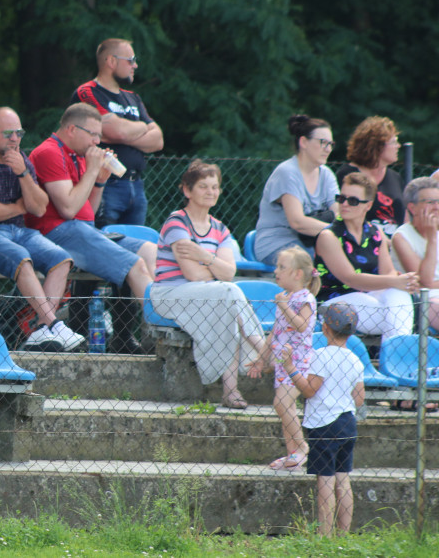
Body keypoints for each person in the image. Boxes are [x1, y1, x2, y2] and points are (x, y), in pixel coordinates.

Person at [25, 103, 156, 354]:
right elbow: (68, 209)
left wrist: (99, 181)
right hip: (58, 232)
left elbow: (88, 213)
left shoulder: (77, 154)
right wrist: (93, 169)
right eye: (93, 134)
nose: (97, 141)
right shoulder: (49, 152)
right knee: (135, 265)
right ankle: (161, 329)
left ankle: (133, 335)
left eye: (99, 135)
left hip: (82, 230)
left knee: (149, 251)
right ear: (72, 129)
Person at [0, 107, 83, 352]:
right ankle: (54, 324)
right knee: (21, 257)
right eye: (8, 133)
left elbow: (39, 208)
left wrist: (23, 173)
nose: (14, 139)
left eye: (19, 133)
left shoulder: (22, 160)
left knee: (61, 259)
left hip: (17, 232)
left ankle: (41, 330)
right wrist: (20, 206)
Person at [149, 160, 266, 409]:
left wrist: (203, 256)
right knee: (228, 292)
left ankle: (231, 392)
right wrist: (216, 268)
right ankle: (264, 350)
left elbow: (229, 272)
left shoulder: (220, 229)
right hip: (171, 293)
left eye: (214, 187)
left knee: (228, 300)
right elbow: (192, 274)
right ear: (187, 190)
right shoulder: (176, 222)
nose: (210, 192)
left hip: (209, 294)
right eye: (203, 186)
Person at [281, 303, 364, 537]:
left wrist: (290, 368)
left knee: (325, 481)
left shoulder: (321, 356)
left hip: (323, 424)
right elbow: (359, 399)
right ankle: (343, 534)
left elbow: (310, 390)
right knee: (343, 480)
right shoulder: (355, 360)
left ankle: (324, 535)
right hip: (347, 422)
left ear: (325, 328)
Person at [70, 38, 163, 227]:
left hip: (137, 185)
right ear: (112, 61)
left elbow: (158, 140)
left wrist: (122, 132)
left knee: (137, 241)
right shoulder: (87, 92)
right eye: (131, 60)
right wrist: (143, 127)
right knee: (104, 239)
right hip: (105, 184)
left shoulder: (133, 98)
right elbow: (116, 131)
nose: (135, 65)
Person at [314, 171, 417, 342]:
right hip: (334, 304)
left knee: (398, 294)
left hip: (370, 301)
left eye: (353, 201)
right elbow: (350, 279)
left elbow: (388, 272)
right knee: (397, 312)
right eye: (341, 198)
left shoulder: (375, 233)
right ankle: (397, 351)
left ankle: (394, 352)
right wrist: (396, 281)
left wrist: (399, 282)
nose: (344, 204)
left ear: (368, 205)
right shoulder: (329, 236)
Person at [248, 246, 319, 471]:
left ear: (297, 274)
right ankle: (292, 455)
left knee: (282, 404)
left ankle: (302, 447)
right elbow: (275, 333)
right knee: (284, 407)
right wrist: (261, 358)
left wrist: (284, 307)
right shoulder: (285, 298)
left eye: (281, 267)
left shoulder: (306, 298)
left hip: (298, 362)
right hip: (282, 362)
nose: (276, 271)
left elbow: (301, 325)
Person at [254, 115, 340, 265]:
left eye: (331, 144)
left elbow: (339, 215)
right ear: (303, 142)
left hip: (312, 243)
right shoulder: (287, 172)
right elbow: (297, 222)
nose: (328, 149)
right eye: (323, 143)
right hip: (277, 244)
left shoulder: (327, 174)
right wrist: (338, 231)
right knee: (323, 262)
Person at [335, 116, 405, 236]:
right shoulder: (347, 175)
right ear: (377, 146)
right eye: (393, 142)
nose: (398, 146)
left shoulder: (395, 177)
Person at [392, 176, 439, 329]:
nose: (437, 207)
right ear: (412, 208)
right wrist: (432, 239)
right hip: (422, 300)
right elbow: (426, 281)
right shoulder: (401, 237)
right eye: (430, 202)